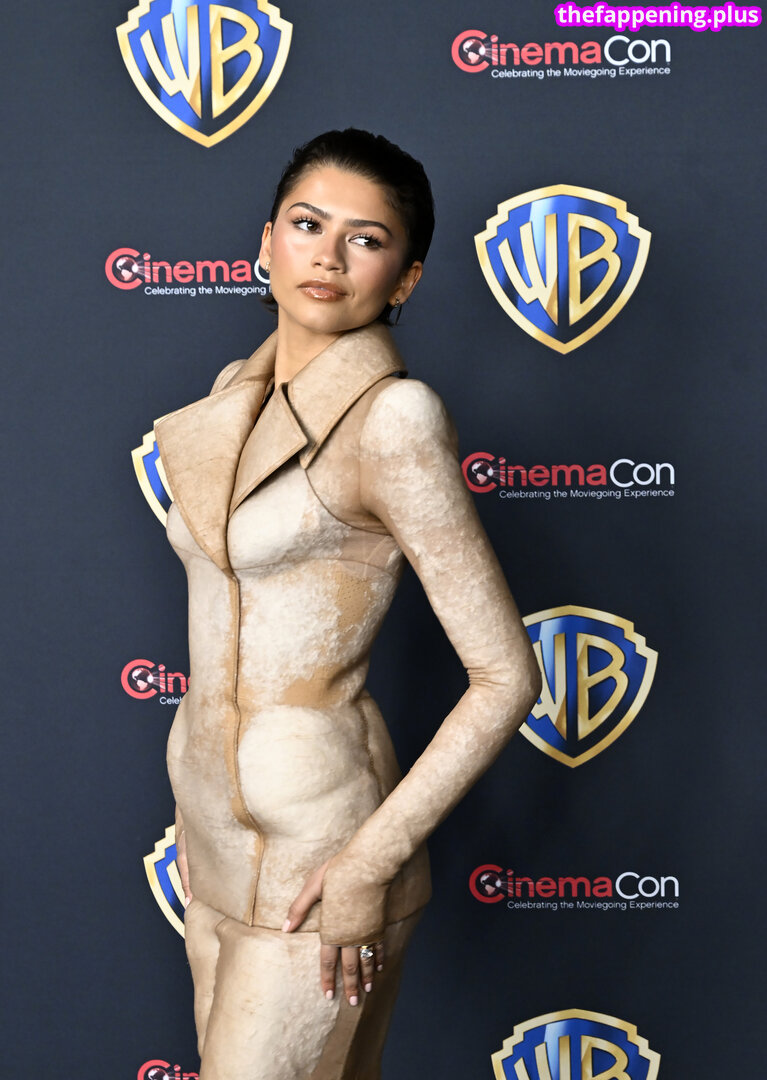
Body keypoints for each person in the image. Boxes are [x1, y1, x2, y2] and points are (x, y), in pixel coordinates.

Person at [154, 128, 541, 1080]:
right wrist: (196, 819)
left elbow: (505, 675)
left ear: (404, 279)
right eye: (306, 224)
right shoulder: (229, 397)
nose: (327, 256)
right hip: (213, 856)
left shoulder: (393, 420)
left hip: (318, 867)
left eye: (365, 239)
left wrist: (371, 862)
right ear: (266, 241)